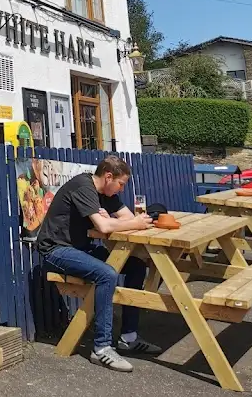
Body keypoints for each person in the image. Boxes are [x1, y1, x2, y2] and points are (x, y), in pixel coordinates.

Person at [37, 155, 162, 372]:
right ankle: (102, 348)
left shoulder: (106, 193)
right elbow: (106, 228)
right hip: (56, 251)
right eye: (121, 184)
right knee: (107, 274)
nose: (122, 189)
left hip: (79, 249)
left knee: (136, 266)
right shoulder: (83, 186)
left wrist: (117, 221)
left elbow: (127, 217)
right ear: (108, 177)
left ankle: (129, 337)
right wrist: (118, 222)